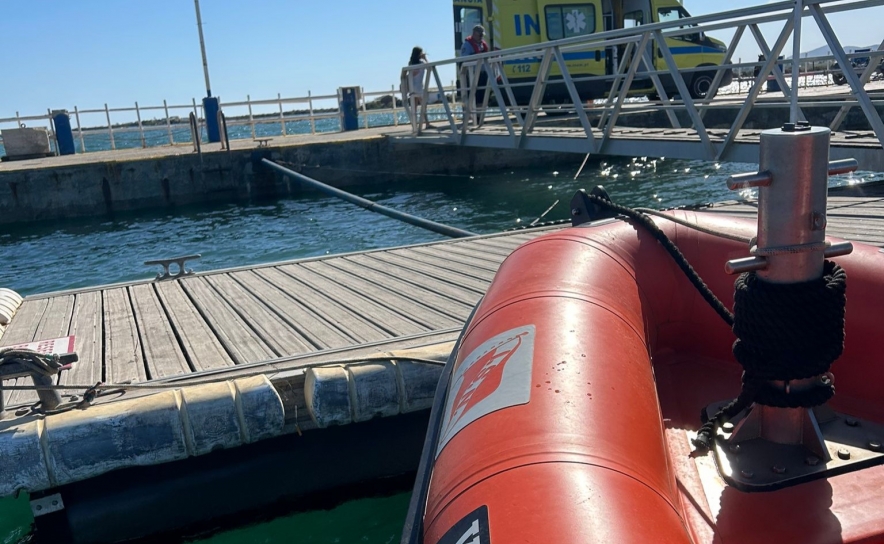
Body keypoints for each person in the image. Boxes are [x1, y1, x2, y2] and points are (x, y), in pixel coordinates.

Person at [459, 25, 491, 120]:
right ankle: (469, 116)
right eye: (479, 34)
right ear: (474, 34)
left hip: (482, 73)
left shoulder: (482, 44)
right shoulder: (467, 45)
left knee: (482, 95)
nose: (481, 36)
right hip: (472, 73)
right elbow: (464, 60)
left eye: (482, 35)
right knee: (471, 95)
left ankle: (479, 117)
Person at [408, 46, 432, 129]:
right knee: (423, 106)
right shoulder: (422, 63)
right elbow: (430, 67)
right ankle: (427, 123)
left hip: (412, 87)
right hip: (419, 87)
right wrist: (425, 58)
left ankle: (415, 125)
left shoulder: (410, 63)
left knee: (414, 107)